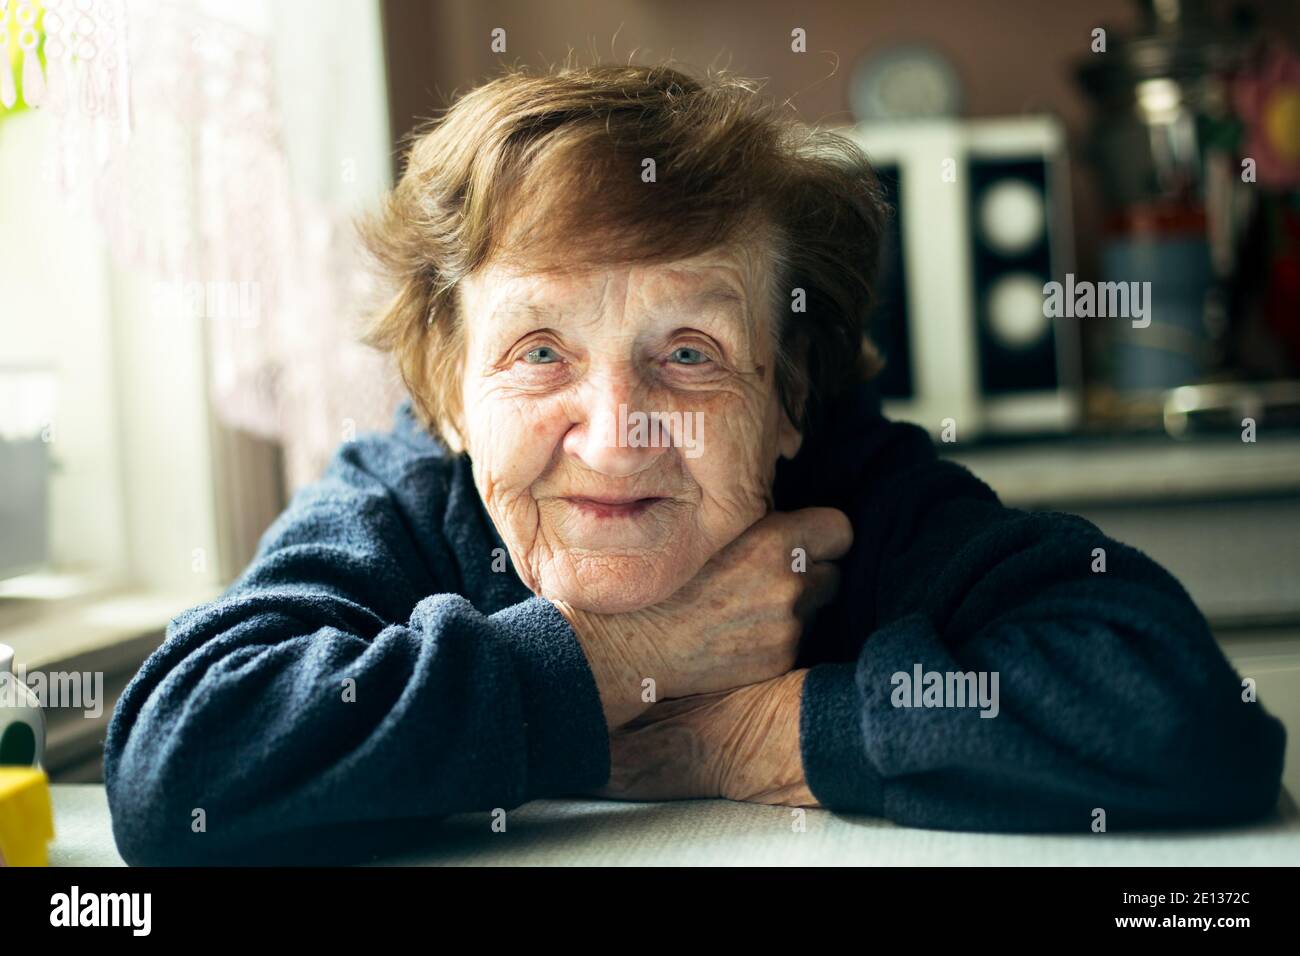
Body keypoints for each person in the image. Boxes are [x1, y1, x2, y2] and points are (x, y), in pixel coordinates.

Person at [103, 63, 1286, 865]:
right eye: (537, 350)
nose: (617, 433)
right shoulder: (396, 498)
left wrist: (740, 734)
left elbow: (1191, 717)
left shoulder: (861, 493)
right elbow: (177, 766)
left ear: (787, 395)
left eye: (688, 352)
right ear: (443, 395)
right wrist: (632, 658)